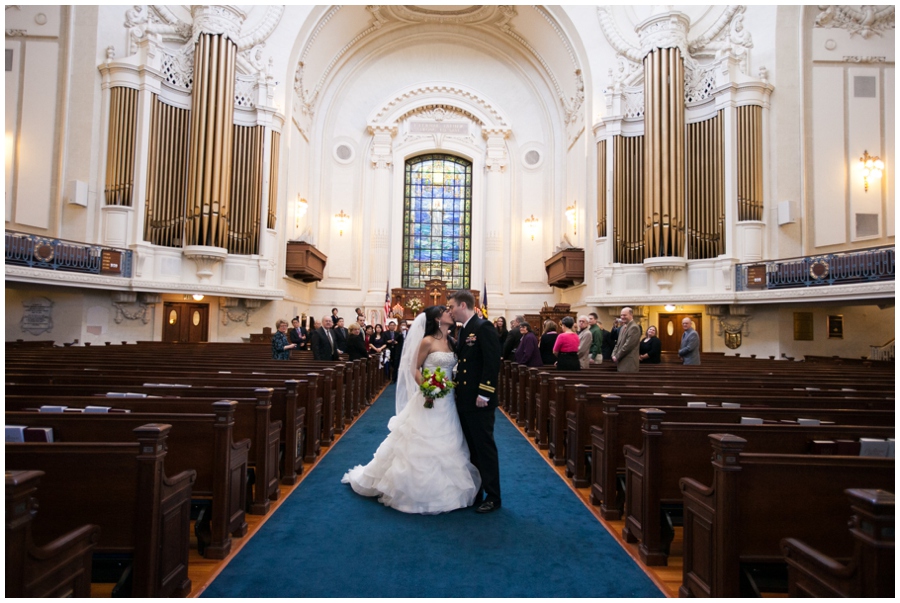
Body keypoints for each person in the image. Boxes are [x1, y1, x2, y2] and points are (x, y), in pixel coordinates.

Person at [342, 306, 481, 514]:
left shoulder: (452, 340)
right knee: (421, 439)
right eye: (445, 311)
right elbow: (414, 368)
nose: (450, 312)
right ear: (437, 318)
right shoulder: (427, 341)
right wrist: (427, 387)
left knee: (450, 438)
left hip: (449, 399)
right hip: (429, 396)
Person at [448, 289, 502, 514]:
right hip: (465, 399)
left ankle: (493, 496)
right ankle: (477, 489)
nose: (449, 311)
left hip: (479, 400)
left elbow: (492, 363)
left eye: (451, 306)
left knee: (484, 447)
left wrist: (485, 393)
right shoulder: (464, 330)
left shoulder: (483, 327)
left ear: (462, 305)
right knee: (471, 448)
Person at [611, 307, 641, 372]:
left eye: (624, 315)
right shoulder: (622, 327)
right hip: (621, 361)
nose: (622, 317)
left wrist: (617, 356)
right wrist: (613, 355)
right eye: (621, 315)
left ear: (631, 315)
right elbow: (618, 343)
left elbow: (628, 346)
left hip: (629, 363)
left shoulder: (634, 327)